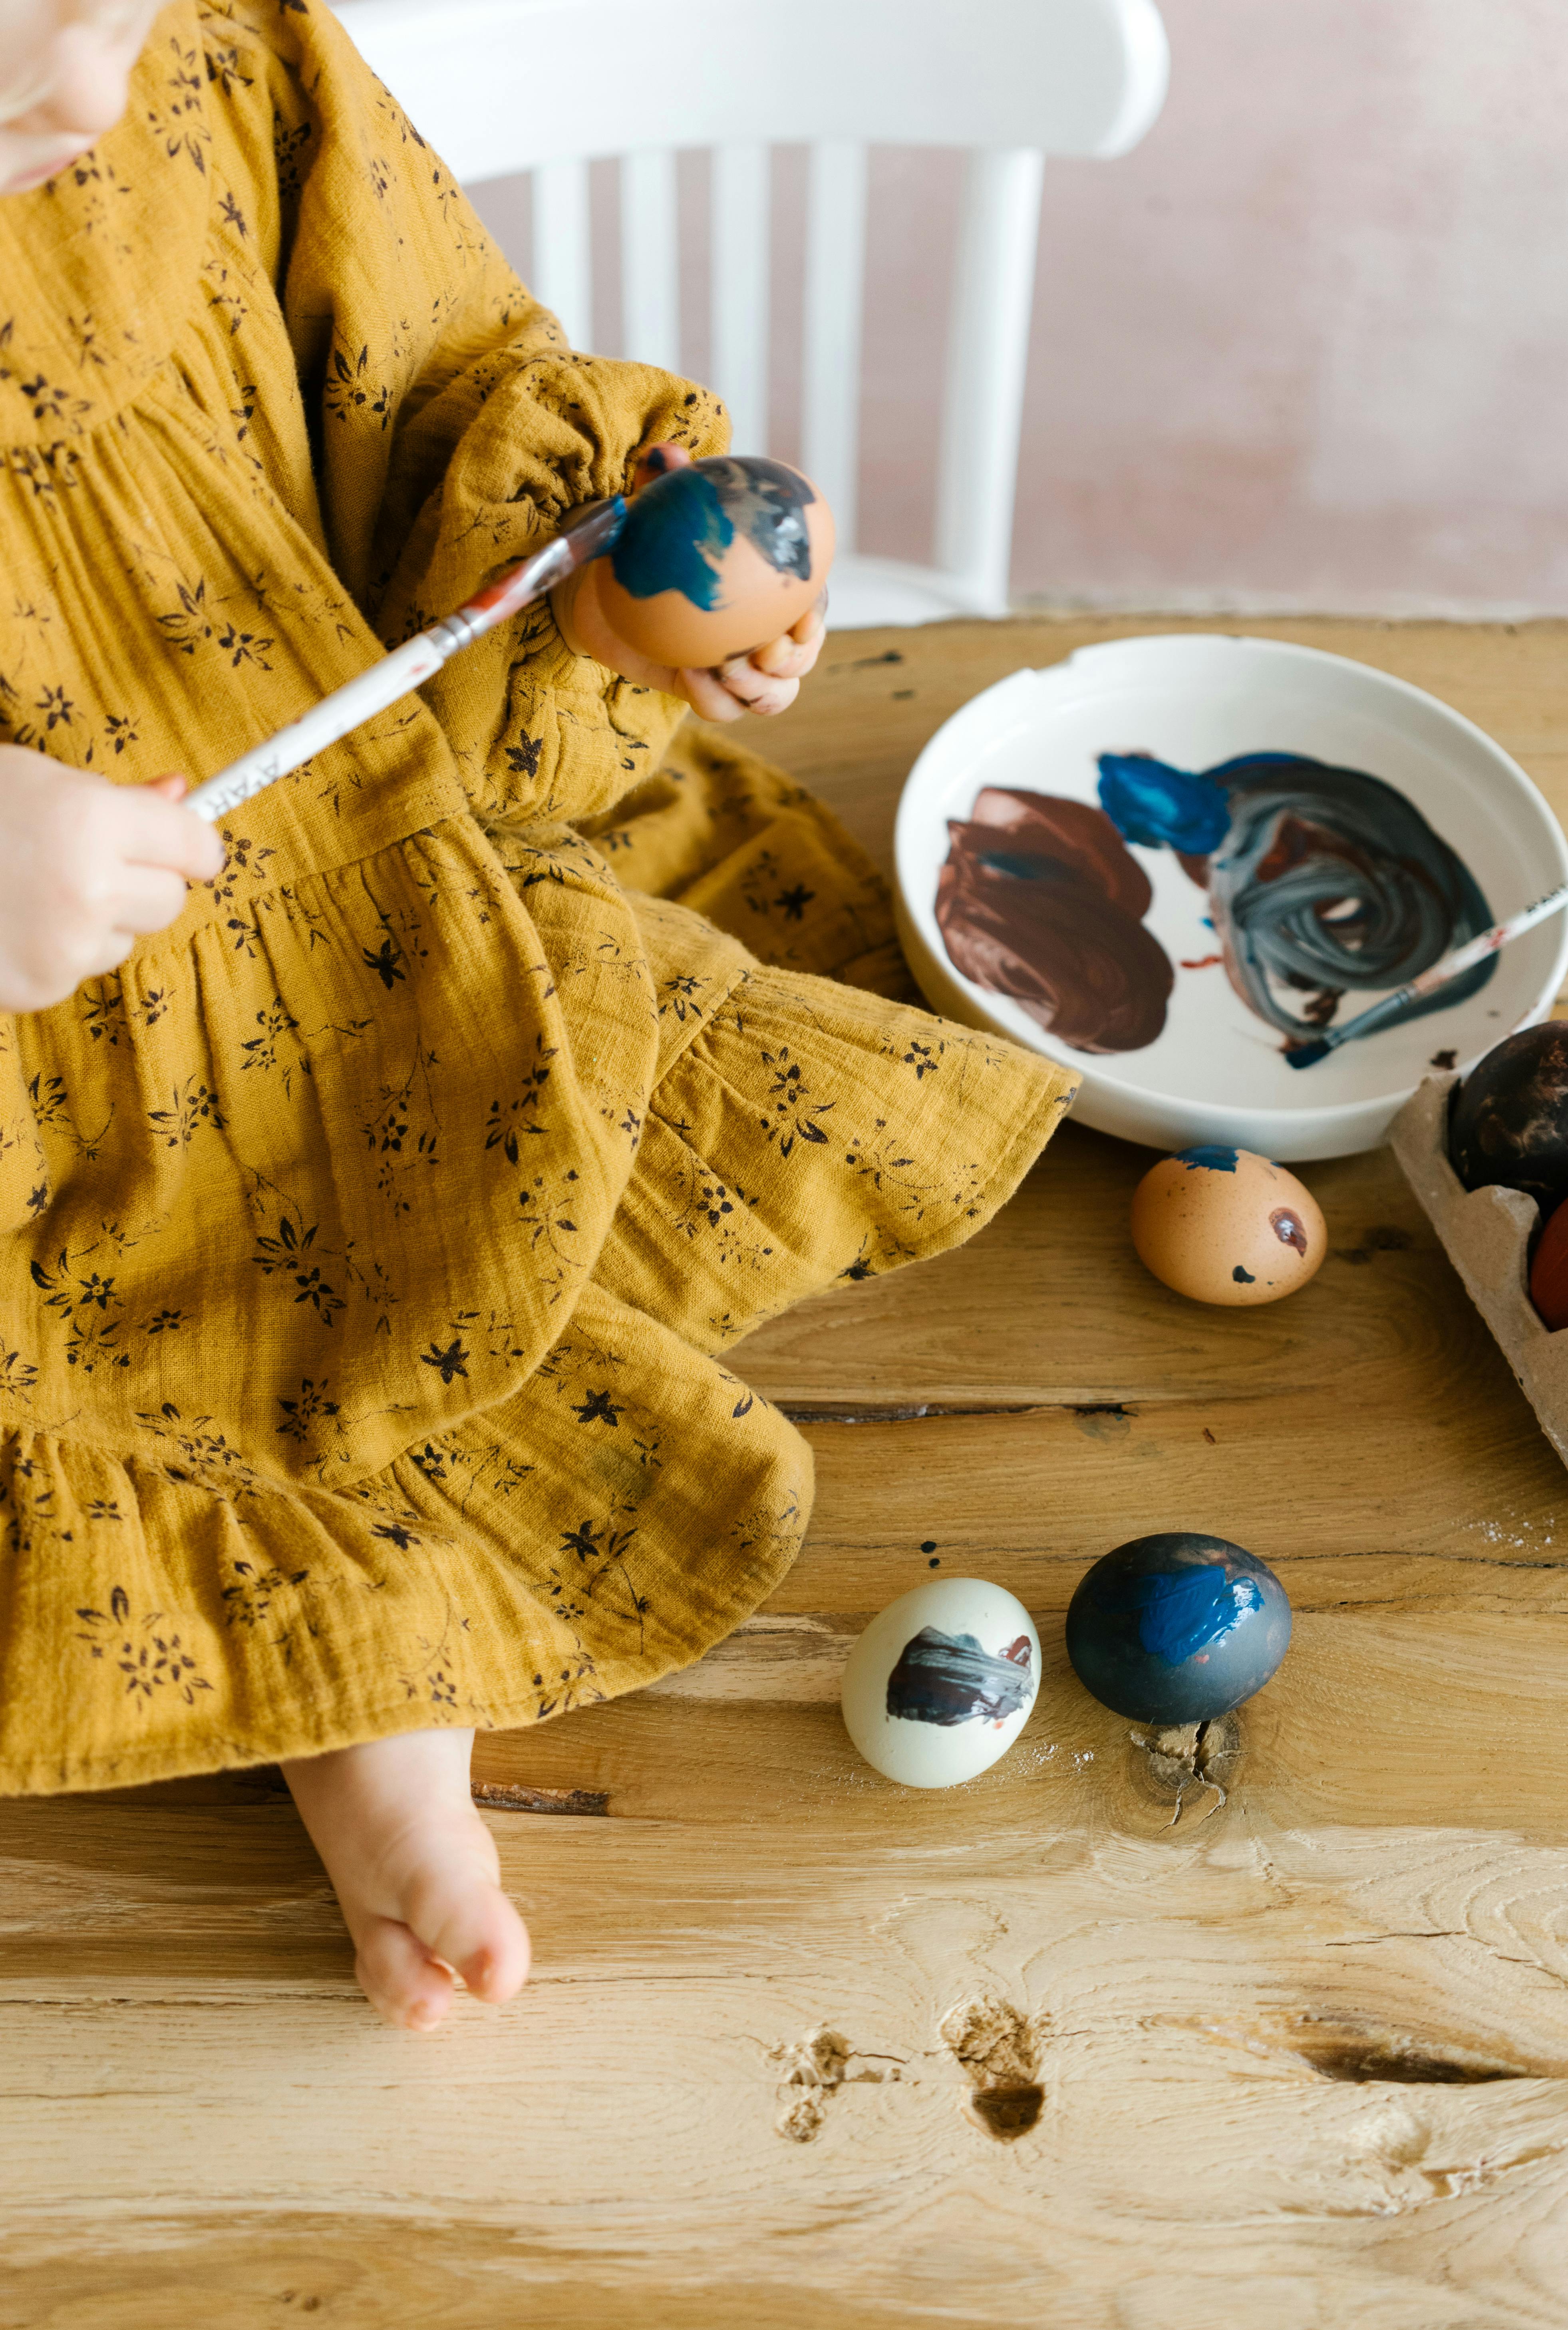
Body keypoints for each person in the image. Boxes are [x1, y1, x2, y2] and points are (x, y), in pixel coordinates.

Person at [0, 0, 1075, 2029]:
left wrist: (583, 574)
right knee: (139, 1349)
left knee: (566, 1117)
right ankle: (363, 1703)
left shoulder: (210, 53)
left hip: (373, 864)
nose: (76, 89)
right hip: (48, 1079)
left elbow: (427, 381)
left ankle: (383, 1686)